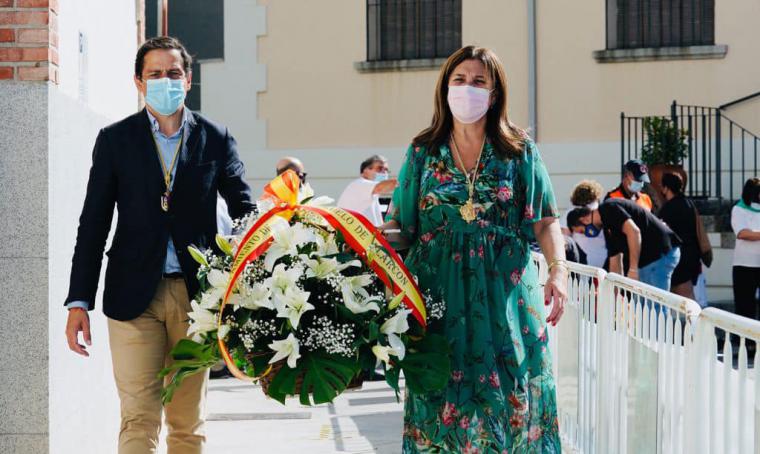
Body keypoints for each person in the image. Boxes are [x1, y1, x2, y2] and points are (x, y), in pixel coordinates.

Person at [63, 36, 254, 454]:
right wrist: (79, 300)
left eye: (173, 73)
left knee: (188, 423)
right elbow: (93, 223)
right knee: (138, 417)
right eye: (155, 74)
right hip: (133, 297)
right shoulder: (116, 140)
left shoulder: (216, 137)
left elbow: (244, 209)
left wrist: (246, 264)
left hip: (196, 299)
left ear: (188, 81)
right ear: (138, 82)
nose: (164, 81)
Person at [382, 45, 566, 452]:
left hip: (507, 299)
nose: (468, 88)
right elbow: (402, 226)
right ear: (445, 89)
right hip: (437, 300)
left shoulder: (519, 152)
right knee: (440, 399)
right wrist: (364, 243)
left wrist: (558, 270)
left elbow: (546, 219)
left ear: (495, 92)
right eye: (459, 80)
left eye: (479, 81)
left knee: (515, 393)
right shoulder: (423, 152)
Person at [567, 198, 681, 290]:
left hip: (660, 253)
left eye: (582, 231)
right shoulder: (608, 228)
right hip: (650, 259)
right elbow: (615, 261)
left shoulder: (608, 208)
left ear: (584, 220)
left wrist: (633, 269)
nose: (587, 234)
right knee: (643, 306)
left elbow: (634, 232)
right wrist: (615, 291)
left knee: (655, 306)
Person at [658, 173, 701, 299]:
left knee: (683, 295)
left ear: (666, 188)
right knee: (687, 295)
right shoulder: (689, 204)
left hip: (678, 256)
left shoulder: (668, 209)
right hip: (692, 254)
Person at [337, 155, 397, 226]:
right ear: (365, 171)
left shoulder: (371, 193)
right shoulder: (360, 184)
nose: (384, 173)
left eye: (386, 170)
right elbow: (382, 187)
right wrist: (406, 183)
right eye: (380, 168)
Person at [560, 179, 608, 268]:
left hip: (581, 268)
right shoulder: (600, 213)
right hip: (602, 266)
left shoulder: (570, 213)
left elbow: (564, 240)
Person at [731, 178, 760, 320]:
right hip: (744, 265)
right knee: (744, 306)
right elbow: (742, 233)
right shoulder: (738, 209)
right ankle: (745, 341)